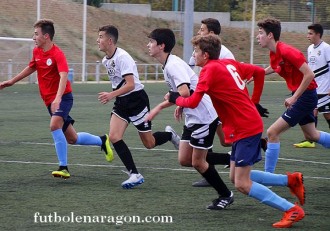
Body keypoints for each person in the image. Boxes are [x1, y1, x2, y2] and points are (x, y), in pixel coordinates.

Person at [168, 34, 306, 228]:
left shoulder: (209, 71)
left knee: (241, 183)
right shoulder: (227, 64)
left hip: (246, 127)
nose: (194, 54)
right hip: (245, 125)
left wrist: (176, 99)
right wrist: (254, 101)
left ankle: (291, 209)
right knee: (236, 177)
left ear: (206, 55)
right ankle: (291, 180)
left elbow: (193, 101)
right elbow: (258, 72)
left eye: (196, 51)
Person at [0, 19, 113, 179]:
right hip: (50, 101)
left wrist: (58, 98)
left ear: (46, 36)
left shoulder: (57, 54)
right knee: (73, 138)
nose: (33, 37)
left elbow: (63, 75)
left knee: (54, 126)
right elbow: (32, 66)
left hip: (63, 99)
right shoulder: (37, 51)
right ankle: (102, 140)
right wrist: (11, 81)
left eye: (36, 34)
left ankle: (63, 167)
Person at [146, 28, 234, 210]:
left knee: (198, 162)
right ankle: (232, 158)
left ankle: (225, 195)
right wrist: (179, 103)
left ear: (161, 46)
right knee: (185, 159)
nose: (148, 45)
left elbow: (184, 92)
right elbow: (186, 91)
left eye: (151, 42)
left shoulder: (173, 65)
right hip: (193, 115)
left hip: (203, 116)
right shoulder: (168, 64)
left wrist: (159, 108)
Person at [96, 25, 180, 189]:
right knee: (114, 136)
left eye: (100, 37)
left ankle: (169, 135)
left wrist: (111, 94)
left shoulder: (123, 57)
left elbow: (130, 85)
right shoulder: (106, 60)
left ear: (110, 40)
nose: (98, 41)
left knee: (149, 143)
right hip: (121, 103)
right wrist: (115, 95)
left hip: (137, 101)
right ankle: (134, 174)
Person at [190, 18, 268, 187]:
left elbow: (237, 86)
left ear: (211, 34)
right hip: (235, 115)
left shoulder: (221, 58)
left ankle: (290, 207)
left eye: (202, 29)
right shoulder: (211, 58)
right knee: (232, 167)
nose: (199, 32)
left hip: (235, 116)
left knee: (237, 177)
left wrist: (252, 103)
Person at [256, 18, 330, 174]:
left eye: (260, 33)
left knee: (272, 132)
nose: (257, 36)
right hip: (304, 95)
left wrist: (294, 98)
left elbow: (309, 74)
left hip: (306, 96)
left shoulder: (288, 51)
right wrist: (257, 73)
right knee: (312, 135)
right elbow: (275, 67)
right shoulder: (274, 52)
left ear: (270, 35)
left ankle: (268, 177)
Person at [293, 23, 330, 148]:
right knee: (313, 111)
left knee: (327, 114)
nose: (307, 36)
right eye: (308, 33)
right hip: (314, 87)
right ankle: (311, 140)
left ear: (318, 34)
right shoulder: (310, 48)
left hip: (325, 88)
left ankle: (312, 139)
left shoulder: (326, 48)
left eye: (310, 33)